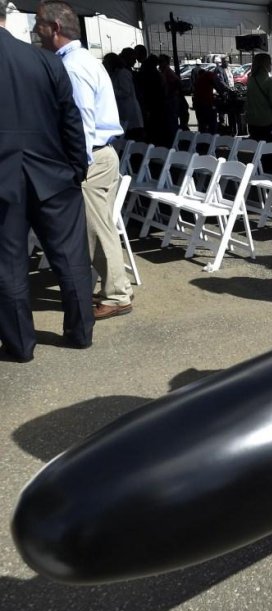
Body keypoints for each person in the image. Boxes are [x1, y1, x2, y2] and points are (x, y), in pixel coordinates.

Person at [0, 0, 92, 362]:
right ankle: (81, 332)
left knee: (8, 264)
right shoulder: (44, 60)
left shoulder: (46, 60)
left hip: (7, 180)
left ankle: (20, 345)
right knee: (70, 258)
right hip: (54, 174)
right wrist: (75, 169)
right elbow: (71, 121)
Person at [36, 0, 133, 320]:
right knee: (99, 226)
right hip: (96, 155)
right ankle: (115, 289)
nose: (37, 31)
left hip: (90, 157)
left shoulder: (73, 66)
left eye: (39, 25)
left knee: (96, 228)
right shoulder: (80, 61)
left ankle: (117, 294)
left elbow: (81, 125)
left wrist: (76, 164)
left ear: (55, 29)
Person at [103, 52, 144, 143]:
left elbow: (126, 91)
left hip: (129, 112)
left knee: (133, 140)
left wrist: (110, 91)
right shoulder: (114, 74)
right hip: (124, 113)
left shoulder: (123, 73)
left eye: (106, 63)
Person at [245, 52, 272, 142]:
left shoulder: (250, 80)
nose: (271, 65)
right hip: (268, 122)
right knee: (271, 150)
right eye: (270, 62)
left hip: (252, 122)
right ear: (266, 64)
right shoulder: (270, 82)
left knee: (257, 151)